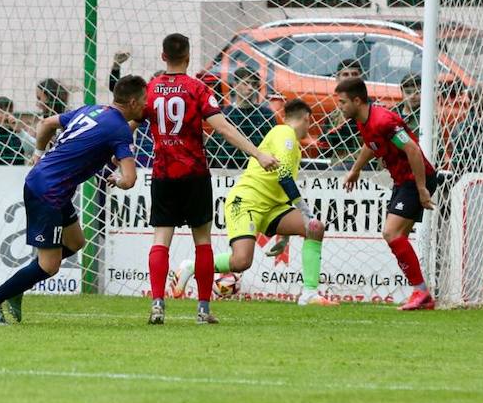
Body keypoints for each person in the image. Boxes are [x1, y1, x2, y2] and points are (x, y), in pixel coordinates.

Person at [0, 76, 145, 325]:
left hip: (53, 185)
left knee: (76, 242)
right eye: (144, 100)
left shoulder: (94, 109)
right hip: (48, 190)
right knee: (49, 266)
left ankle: (17, 286)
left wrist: (38, 154)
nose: (147, 104)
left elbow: (45, 124)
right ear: (132, 102)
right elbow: (129, 179)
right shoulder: (119, 129)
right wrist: (116, 179)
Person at [143, 33, 280, 326]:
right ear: (189, 57)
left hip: (164, 174)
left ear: (163, 56)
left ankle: (157, 305)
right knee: (202, 241)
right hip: (194, 174)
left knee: (161, 239)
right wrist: (258, 154)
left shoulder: (151, 89)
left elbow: (129, 120)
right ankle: (203, 310)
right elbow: (225, 129)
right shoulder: (198, 89)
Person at [173, 99, 338, 306]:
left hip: (272, 207)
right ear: (307, 118)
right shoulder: (284, 133)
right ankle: (191, 266)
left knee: (314, 227)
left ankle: (309, 294)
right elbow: (284, 176)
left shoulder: (292, 145)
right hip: (247, 202)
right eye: (310, 122)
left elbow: (280, 185)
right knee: (241, 262)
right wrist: (304, 211)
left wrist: (286, 235)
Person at [337, 78, 440, 311]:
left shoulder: (384, 121)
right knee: (396, 238)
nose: (339, 107)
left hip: (415, 180)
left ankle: (422, 292)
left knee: (391, 232)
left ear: (357, 100)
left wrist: (422, 188)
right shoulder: (364, 121)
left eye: (342, 102)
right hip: (403, 181)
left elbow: (412, 149)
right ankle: (421, 293)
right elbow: (369, 145)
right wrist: (355, 170)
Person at [209, 67, 275, 169]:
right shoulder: (225, 115)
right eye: (246, 83)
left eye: (254, 84)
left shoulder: (266, 115)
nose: (250, 88)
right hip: (229, 169)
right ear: (235, 85)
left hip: (258, 168)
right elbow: (213, 147)